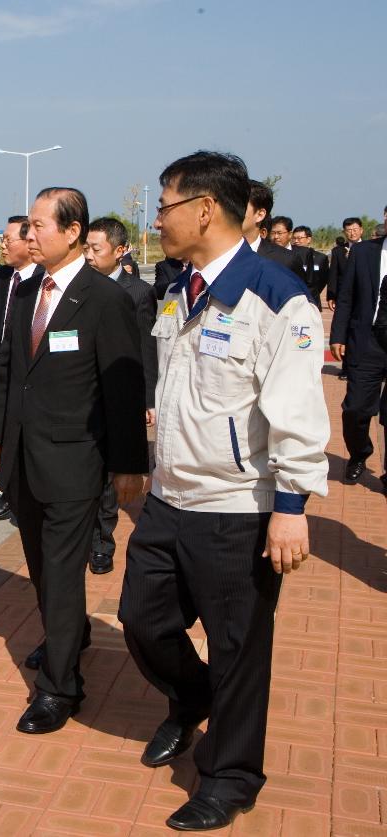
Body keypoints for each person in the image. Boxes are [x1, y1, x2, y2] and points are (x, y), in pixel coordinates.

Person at [119, 150, 329, 831]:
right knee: (142, 619)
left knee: (239, 646)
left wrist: (291, 508)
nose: (157, 219)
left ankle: (231, 775)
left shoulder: (275, 295)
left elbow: (297, 408)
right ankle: (191, 696)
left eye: (165, 205)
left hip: (239, 507)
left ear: (204, 209)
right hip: (171, 496)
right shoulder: (182, 285)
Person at [0, 186, 147, 735]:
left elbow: (122, 388)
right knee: (44, 568)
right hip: (22, 459)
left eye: (38, 226)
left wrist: (127, 465)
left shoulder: (104, 299)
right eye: (26, 226)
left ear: (73, 232)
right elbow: (5, 373)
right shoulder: (25, 292)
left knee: (62, 572)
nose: (29, 236)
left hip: (75, 462)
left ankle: (60, 687)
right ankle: (68, 637)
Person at [84, 217, 158, 575]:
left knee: (112, 473)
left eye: (95, 249)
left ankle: (102, 542)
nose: (88, 255)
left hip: (117, 394)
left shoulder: (138, 293)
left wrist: (146, 398)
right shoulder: (77, 287)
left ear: (119, 250)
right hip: (83, 395)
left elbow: (145, 349)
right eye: (86, 247)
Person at [0, 216, 36, 522]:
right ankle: (7, 489)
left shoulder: (41, 278)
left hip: (26, 370)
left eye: (8, 239)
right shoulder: (1, 277)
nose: (3, 245)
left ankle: (18, 492)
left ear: (28, 243)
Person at [331, 227, 387, 489]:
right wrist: (338, 335)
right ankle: (359, 453)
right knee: (355, 408)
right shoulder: (364, 252)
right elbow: (347, 296)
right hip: (368, 340)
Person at [243, 181, 304, 277]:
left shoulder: (286, 261)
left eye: (240, 206)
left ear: (260, 214)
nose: (232, 211)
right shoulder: (215, 254)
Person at [329, 217, 364, 310]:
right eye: (348, 230)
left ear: (361, 230)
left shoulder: (371, 249)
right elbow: (333, 274)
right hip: (344, 295)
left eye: (355, 230)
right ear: (344, 232)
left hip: (365, 294)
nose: (352, 233)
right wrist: (331, 296)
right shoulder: (338, 251)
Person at [290, 225, 329, 306]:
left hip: (312, 300)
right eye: (294, 238)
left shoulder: (321, 258)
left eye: (300, 238)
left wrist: (313, 291)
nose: (296, 241)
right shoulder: (287, 256)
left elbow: (323, 279)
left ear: (308, 239)